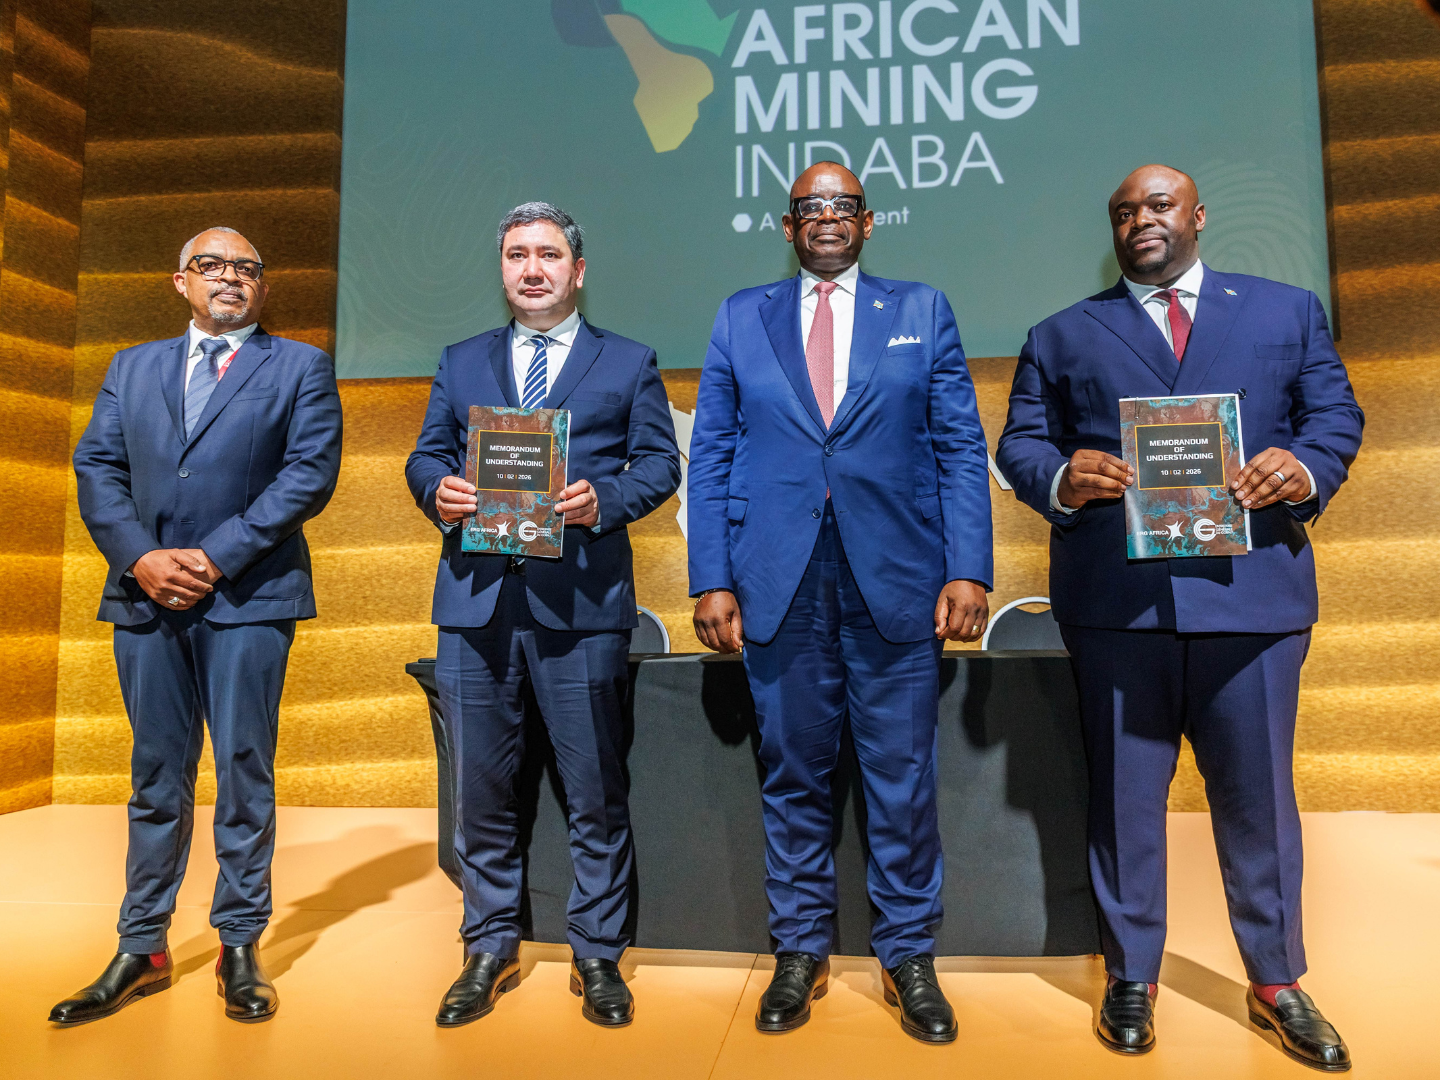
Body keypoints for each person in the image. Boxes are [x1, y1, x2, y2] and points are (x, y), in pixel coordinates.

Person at [996, 165, 1361, 1070]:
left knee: (1259, 801)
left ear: (1197, 215)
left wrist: (1304, 468)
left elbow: (1334, 416)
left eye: (1158, 205)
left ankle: (1277, 981)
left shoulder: (1286, 311)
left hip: (1252, 599)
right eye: (1123, 212)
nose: (1140, 220)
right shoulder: (1061, 332)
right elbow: (1021, 443)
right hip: (1118, 607)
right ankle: (1132, 976)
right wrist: (1061, 477)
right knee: (1125, 802)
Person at [687, 163, 993, 1043]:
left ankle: (908, 954)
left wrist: (969, 568)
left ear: (868, 221)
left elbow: (958, 445)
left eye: (843, 206)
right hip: (776, 579)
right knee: (793, 774)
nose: (827, 217)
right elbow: (711, 452)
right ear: (788, 228)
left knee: (902, 777)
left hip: (898, 577)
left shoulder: (922, 309)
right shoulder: (740, 316)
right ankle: (799, 949)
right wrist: (712, 576)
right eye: (810, 207)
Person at [56, 227, 343, 1025]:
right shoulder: (130, 367)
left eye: (247, 268)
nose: (230, 278)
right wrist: (141, 557)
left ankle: (238, 943)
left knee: (244, 772)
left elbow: (308, 476)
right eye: (211, 266)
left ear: (263, 287)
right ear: (179, 281)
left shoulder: (301, 367)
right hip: (144, 596)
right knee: (155, 774)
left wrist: (215, 558)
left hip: (251, 595)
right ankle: (142, 944)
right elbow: (97, 467)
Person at [406, 202, 680, 1028]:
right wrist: (437, 489)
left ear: (578, 270)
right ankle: (488, 946)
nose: (533, 268)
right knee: (481, 791)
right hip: (476, 605)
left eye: (549, 254)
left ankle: (597, 953)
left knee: (594, 790)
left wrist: (606, 501)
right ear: (502, 270)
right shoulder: (460, 361)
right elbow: (425, 455)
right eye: (517, 254)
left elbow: (660, 463)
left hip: (582, 606)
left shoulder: (627, 361)